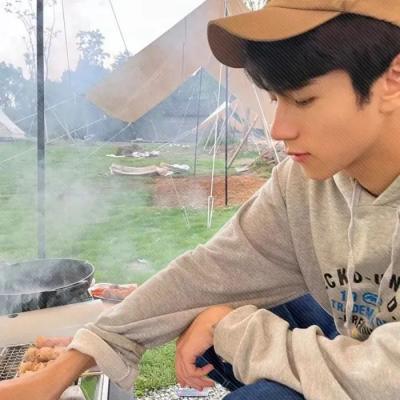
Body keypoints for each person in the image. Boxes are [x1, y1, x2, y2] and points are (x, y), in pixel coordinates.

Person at [2, 0, 400, 398]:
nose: (279, 129)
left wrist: (230, 328)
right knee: (208, 302)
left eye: (303, 100)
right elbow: (206, 274)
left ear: (392, 79)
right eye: (275, 99)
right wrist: (75, 359)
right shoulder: (303, 185)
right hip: (361, 345)